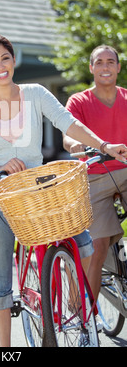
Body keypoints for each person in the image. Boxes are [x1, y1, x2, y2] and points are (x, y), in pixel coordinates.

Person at [0, 34, 127, 347]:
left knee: (85, 244)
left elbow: (69, 123)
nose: (0, 66)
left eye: (5, 58)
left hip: (37, 199)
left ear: (14, 60)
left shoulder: (35, 94)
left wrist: (104, 145)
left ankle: (77, 313)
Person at [63, 45, 127, 302]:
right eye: (99, 62)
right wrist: (74, 145)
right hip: (94, 175)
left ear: (118, 67)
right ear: (91, 68)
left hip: (126, 170)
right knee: (97, 246)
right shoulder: (79, 101)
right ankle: (83, 313)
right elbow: (67, 133)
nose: (105, 67)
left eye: (110, 62)